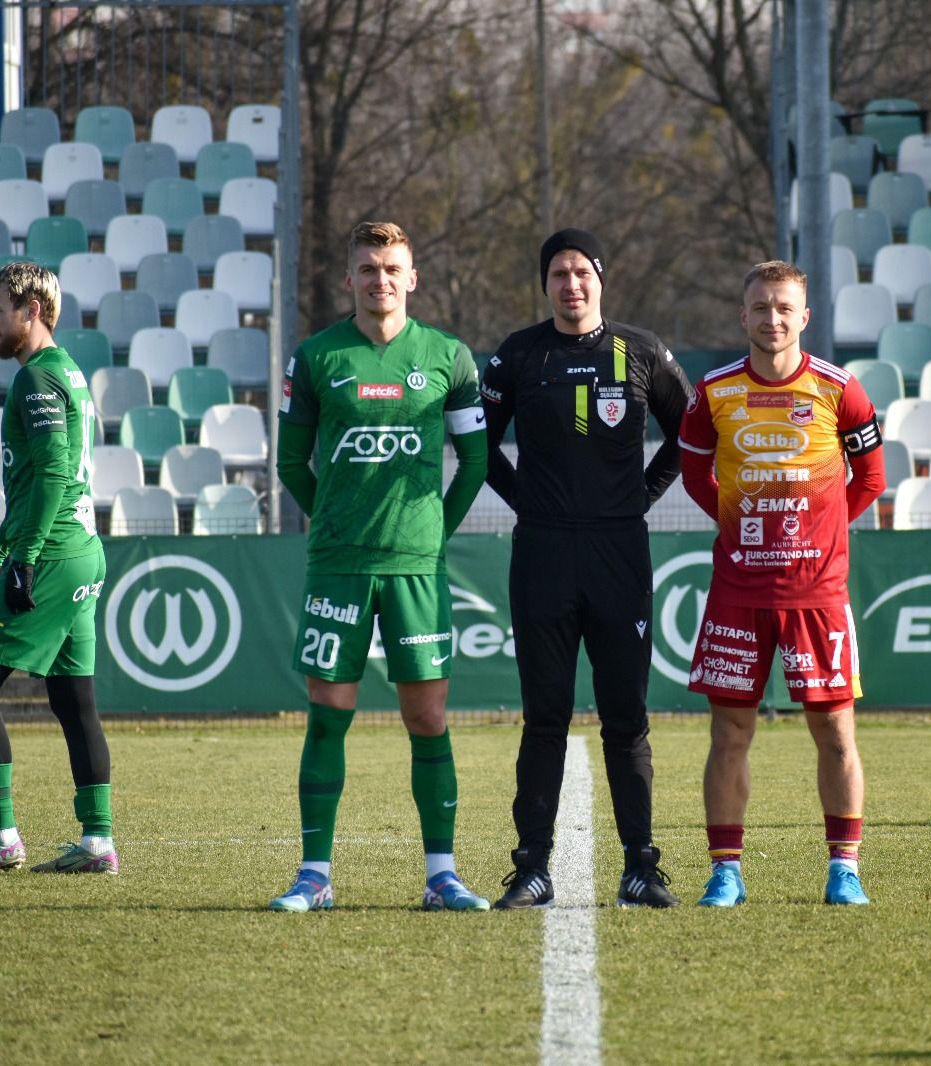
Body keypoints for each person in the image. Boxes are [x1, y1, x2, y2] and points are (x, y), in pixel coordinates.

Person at [269, 221, 491, 913]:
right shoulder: (314, 358)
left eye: (392, 267)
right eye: (367, 268)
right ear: (349, 279)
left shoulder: (448, 357)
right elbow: (288, 463)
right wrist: (333, 521)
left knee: (427, 717)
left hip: (416, 569)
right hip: (338, 566)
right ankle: (314, 875)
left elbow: (476, 463)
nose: (380, 279)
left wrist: (430, 535)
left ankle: (442, 876)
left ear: (412, 277)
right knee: (327, 712)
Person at [480, 228, 693, 909]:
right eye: (558, 274)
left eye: (581, 272)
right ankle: (532, 868)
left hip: (618, 551)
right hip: (542, 552)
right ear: (545, 284)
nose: (571, 285)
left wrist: (643, 496)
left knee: (626, 717)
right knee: (544, 715)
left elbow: (691, 433)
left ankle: (641, 866)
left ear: (600, 278)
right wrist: (529, 505)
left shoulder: (642, 350)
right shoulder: (519, 353)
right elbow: (478, 446)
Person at [677, 260, 886, 907]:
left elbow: (871, 478)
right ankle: (726, 872)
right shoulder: (712, 393)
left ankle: (844, 869)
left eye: (783, 308)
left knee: (835, 733)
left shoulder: (839, 389)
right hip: (739, 594)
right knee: (730, 735)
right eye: (761, 308)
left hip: (816, 596)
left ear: (804, 317)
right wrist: (743, 525)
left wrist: (820, 535)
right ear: (744, 317)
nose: (772, 319)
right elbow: (694, 477)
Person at [0, 261, 116, 876]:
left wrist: (24, 559)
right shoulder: (66, 371)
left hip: (58, 555)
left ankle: (2, 836)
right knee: (73, 698)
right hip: (83, 550)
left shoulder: (36, 380)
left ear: (30, 311)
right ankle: (97, 841)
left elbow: (53, 480)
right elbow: (41, 484)